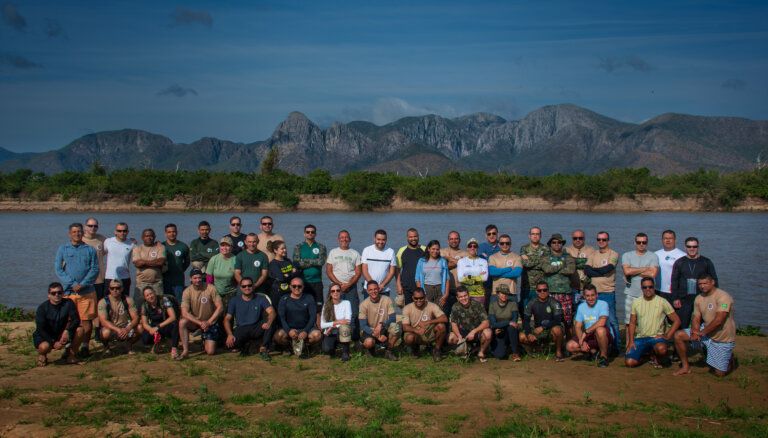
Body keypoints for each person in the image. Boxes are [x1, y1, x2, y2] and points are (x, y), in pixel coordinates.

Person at [673, 274, 736, 377]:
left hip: (722, 337)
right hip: (705, 331)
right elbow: (696, 317)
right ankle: (685, 367)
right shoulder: (699, 298)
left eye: (705, 283)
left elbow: (719, 320)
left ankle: (729, 359)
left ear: (712, 282)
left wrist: (701, 333)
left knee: (719, 374)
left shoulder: (723, 297)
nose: (702, 286)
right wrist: (695, 331)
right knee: (678, 335)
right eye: (700, 284)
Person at [55, 222, 99, 358]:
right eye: (74, 232)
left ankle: (85, 346)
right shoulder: (63, 249)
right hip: (69, 293)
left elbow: (95, 269)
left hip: (87, 292)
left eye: (79, 231)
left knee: (86, 321)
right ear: (69, 234)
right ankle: (68, 347)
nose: (77, 234)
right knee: (69, 322)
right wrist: (73, 283)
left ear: (83, 233)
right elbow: (58, 269)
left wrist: (83, 284)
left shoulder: (90, 250)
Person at [625, 277, 681, 368]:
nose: (648, 289)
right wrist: (631, 341)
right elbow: (632, 323)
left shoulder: (662, 301)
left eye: (650, 287)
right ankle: (646, 357)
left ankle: (658, 356)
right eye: (645, 287)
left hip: (656, 338)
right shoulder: (636, 302)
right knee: (629, 363)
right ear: (641, 288)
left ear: (654, 287)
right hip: (641, 338)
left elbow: (677, 320)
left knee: (661, 349)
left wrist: (667, 335)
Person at [670, 237, 718, 330]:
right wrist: (675, 298)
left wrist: (714, 298)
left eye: (694, 246)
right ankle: (682, 339)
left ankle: (702, 339)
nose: (692, 249)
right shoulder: (679, 262)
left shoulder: (706, 262)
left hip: (702, 298)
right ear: (685, 247)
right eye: (689, 246)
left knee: (704, 324)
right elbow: (674, 281)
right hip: (684, 299)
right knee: (682, 325)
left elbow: (714, 280)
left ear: (698, 247)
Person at [584, 231, 620, 351]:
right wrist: (600, 272)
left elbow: (608, 268)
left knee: (612, 320)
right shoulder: (593, 254)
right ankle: (598, 346)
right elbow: (587, 270)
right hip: (594, 294)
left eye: (604, 240)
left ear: (608, 241)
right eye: (599, 239)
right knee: (594, 320)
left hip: (608, 292)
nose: (601, 242)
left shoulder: (613, 254)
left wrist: (595, 271)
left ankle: (616, 347)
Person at [224, 277, 275, 360]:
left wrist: (268, 323)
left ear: (253, 286)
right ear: (240, 288)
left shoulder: (261, 298)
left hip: (256, 327)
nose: (247, 288)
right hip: (241, 328)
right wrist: (229, 334)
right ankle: (251, 344)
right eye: (244, 286)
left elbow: (272, 312)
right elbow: (227, 319)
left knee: (271, 321)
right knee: (232, 345)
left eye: (249, 285)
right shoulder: (234, 300)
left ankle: (264, 347)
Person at [326, 230, 362, 341]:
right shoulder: (333, 252)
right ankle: (334, 337)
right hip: (335, 288)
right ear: (338, 239)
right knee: (333, 311)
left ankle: (353, 339)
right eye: (342, 237)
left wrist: (348, 284)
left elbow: (358, 272)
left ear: (350, 239)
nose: (344, 239)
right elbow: (329, 271)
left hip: (351, 288)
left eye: (346, 237)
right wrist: (338, 285)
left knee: (353, 313)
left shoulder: (355, 253)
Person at [33, 282, 81, 366]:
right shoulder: (42, 308)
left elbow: (76, 320)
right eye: (53, 293)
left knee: (80, 330)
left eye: (59, 292)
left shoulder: (69, 303)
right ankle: (42, 355)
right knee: (44, 347)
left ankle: (71, 355)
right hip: (46, 335)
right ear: (49, 295)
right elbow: (40, 329)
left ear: (63, 293)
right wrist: (53, 342)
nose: (57, 295)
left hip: (62, 333)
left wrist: (67, 330)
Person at [179, 269, 224, 358]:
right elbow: (184, 313)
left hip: (210, 321)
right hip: (195, 321)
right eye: (195, 278)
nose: (198, 280)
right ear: (190, 279)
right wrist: (200, 323)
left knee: (210, 351)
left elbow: (220, 307)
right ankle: (185, 350)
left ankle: (204, 340)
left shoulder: (211, 288)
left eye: (199, 277)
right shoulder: (187, 291)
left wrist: (208, 322)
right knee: (182, 322)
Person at [621, 233, 659, 333]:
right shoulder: (627, 255)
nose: (641, 244)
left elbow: (653, 274)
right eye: (639, 242)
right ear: (635, 243)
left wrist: (633, 270)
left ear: (647, 243)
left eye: (644, 242)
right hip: (631, 294)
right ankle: (629, 342)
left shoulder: (653, 256)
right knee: (629, 323)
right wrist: (645, 268)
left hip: (648, 295)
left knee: (648, 322)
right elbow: (627, 271)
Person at [567, 285, 612, 368]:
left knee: (600, 330)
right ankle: (593, 352)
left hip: (603, 335)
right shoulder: (581, 307)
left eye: (592, 295)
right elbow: (577, 326)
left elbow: (602, 322)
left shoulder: (603, 304)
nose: (590, 298)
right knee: (570, 346)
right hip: (589, 336)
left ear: (597, 295)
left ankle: (603, 357)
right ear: (584, 296)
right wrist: (582, 341)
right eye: (587, 296)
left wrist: (586, 331)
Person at [275, 278, 322, 357]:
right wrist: (289, 330)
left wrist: (305, 331)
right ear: (290, 287)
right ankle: (288, 347)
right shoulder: (284, 299)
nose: (297, 288)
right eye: (294, 286)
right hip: (289, 328)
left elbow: (313, 317)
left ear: (303, 287)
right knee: (278, 336)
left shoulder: (309, 298)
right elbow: (281, 318)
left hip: (305, 328)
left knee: (317, 335)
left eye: (299, 286)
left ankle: (305, 346)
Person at [540, 233, 576, 338]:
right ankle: (552, 343)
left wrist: (554, 268)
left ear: (562, 244)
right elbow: (547, 269)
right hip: (550, 293)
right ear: (550, 244)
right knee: (550, 319)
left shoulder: (568, 257)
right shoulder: (545, 257)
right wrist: (562, 265)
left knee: (568, 321)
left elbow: (571, 270)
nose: (556, 244)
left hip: (565, 293)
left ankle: (569, 343)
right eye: (554, 242)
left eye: (559, 242)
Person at [520, 281, 565, 361]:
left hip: (550, 329)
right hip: (537, 330)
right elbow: (526, 320)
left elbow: (558, 320)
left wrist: (543, 327)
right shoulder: (532, 303)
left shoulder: (555, 302)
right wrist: (529, 333)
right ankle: (536, 350)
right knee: (521, 336)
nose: (542, 292)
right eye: (539, 290)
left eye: (545, 290)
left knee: (557, 330)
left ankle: (558, 352)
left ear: (548, 291)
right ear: (536, 292)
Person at [402, 287, 448, 362]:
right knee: (409, 338)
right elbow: (405, 327)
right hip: (416, 334)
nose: (419, 300)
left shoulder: (432, 305)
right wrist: (416, 330)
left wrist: (428, 322)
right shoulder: (407, 308)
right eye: (416, 298)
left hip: (428, 332)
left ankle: (437, 350)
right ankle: (415, 348)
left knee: (441, 326)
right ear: (412, 298)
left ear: (425, 297)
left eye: (421, 298)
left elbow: (444, 318)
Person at [97, 279, 141, 354]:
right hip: (112, 328)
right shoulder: (103, 302)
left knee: (140, 327)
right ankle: (106, 347)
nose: (115, 290)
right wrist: (117, 329)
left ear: (122, 289)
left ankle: (128, 345)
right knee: (105, 332)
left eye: (118, 288)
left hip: (125, 327)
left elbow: (136, 317)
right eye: (112, 288)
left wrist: (127, 329)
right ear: (109, 289)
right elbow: (103, 321)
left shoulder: (128, 300)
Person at [448, 286, 491, 363]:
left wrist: (474, 331)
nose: (463, 298)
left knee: (488, 333)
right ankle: (466, 349)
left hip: (477, 332)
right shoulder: (455, 306)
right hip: (463, 332)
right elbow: (453, 324)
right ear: (457, 298)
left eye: (465, 296)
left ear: (469, 295)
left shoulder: (478, 305)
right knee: (450, 338)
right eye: (460, 297)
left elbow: (486, 323)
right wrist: (459, 336)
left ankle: (481, 352)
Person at [359, 280, 399, 361]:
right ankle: (369, 348)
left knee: (396, 328)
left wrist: (382, 324)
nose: (373, 291)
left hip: (383, 328)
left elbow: (393, 318)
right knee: (369, 342)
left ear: (378, 289)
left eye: (375, 289)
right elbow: (363, 325)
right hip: (370, 330)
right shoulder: (363, 304)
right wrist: (376, 335)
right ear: (367, 291)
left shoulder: (387, 300)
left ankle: (388, 351)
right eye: (370, 290)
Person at [293, 224, 328, 316]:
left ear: (315, 234)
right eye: (308, 232)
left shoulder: (321, 246)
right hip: (303, 282)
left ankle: (318, 325)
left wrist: (304, 261)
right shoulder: (298, 247)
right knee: (302, 308)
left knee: (318, 309)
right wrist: (314, 261)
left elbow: (321, 262)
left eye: (312, 232)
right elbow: (297, 263)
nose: (310, 233)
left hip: (317, 282)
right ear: (304, 234)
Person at [140, 286, 180, 359]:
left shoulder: (164, 300)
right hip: (154, 326)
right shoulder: (144, 305)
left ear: (155, 293)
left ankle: (174, 348)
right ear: (145, 298)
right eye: (147, 295)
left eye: (151, 293)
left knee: (175, 324)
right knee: (145, 338)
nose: (150, 296)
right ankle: (158, 342)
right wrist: (151, 330)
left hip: (166, 324)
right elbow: (144, 323)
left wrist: (158, 327)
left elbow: (173, 317)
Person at [131, 228, 166, 309]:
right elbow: (138, 264)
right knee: (138, 306)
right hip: (141, 283)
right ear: (142, 237)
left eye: (151, 236)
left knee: (159, 306)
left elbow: (161, 262)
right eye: (146, 236)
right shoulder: (137, 249)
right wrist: (154, 262)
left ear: (154, 237)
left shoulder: (160, 247)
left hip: (157, 283)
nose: (149, 238)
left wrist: (144, 262)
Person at [520, 227, 550, 315]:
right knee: (525, 311)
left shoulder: (546, 249)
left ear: (540, 236)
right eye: (533, 234)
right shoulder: (524, 248)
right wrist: (540, 260)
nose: (535, 236)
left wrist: (530, 260)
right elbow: (526, 264)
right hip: (527, 285)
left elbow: (545, 265)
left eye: (537, 234)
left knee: (541, 312)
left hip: (541, 287)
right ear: (529, 236)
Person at [320, 283, 353, 361]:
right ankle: (334, 346)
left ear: (341, 292)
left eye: (338, 290)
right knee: (327, 349)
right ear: (330, 293)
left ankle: (345, 352)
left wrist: (331, 327)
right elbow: (322, 325)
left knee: (344, 328)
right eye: (333, 291)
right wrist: (337, 322)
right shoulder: (326, 305)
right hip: (330, 333)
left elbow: (348, 321)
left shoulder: (346, 303)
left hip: (340, 331)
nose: (335, 292)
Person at [488, 284, 521, 361]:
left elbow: (514, 321)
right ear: (498, 294)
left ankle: (515, 353)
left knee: (512, 328)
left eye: (506, 293)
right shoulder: (492, 305)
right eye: (502, 293)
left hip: (510, 331)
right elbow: (493, 324)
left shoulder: (513, 304)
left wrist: (507, 324)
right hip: (498, 331)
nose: (504, 295)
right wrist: (508, 322)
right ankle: (506, 348)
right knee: (500, 355)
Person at [361, 229, 397, 298]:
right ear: (374, 239)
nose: (380, 242)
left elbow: (391, 272)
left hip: (384, 290)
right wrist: (373, 287)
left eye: (383, 240)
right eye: (378, 239)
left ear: (386, 240)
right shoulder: (367, 250)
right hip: (369, 290)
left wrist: (382, 285)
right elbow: (364, 270)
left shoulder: (391, 252)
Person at [488, 234, 523, 304]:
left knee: (513, 311)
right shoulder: (492, 257)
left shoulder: (517, 257)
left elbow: (517, 273)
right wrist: (508, 269)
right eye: (502, 243)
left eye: (507, 243)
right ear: (498, 244)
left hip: (511, 293)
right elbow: (492, 272)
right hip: (496, 293)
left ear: (510, 244)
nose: (505, 245)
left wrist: (498, 274)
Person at [654, 230, 686, 305]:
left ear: (675, 240)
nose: (668, 240)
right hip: (658, 291)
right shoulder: (655, 254)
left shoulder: (682, 255)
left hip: (674, 292)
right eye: (665, 238)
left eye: (670, 238)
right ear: (662, 240)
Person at [234, 233, 270, 299]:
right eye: (249, 242)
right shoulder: (240, 255)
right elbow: (237, 273)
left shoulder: (263, 256)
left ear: (258, 241)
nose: (252, 244)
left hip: (259, 287)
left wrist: (255, 286)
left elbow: (264, 274)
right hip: (243, 287)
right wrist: (245, 285)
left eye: (254, 242)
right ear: (245, 242)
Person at [206, 236, 238, 310]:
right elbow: (209, 278)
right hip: (216, 292)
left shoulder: (236, 259)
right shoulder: (214, 259)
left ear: (231, 247)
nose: (225, 248)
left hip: (231, 292)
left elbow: (238, 278)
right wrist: (210, 292)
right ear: (219, 247)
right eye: (222, 245)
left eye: (227, 245)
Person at [396, 228, 426, 306]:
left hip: (422, 287)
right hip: (406, 287)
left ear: (418, 236)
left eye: (415, 236)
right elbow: (397, 270)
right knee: (408, 310)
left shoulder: (425, 249)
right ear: (407, 238)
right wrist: (398, 285)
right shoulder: (401, 250)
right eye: (411, 237)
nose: (413, 239)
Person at [440, 231, 467, 316]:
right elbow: (440, 267)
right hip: (445, 290)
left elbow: (465, 266)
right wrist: (458, 262)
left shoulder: (465, 254)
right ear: (448, 241)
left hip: (460, 289)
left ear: (460, 240)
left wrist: (448, 258)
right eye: (451, 239)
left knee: (460, 314)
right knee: (445, 314)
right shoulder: (442, 252)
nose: (454, 241)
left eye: (456, 239)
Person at [104, 222, 134, 295]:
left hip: (125, 277)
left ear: (127, 232)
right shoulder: (108, 241)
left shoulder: (132, 244)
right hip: (110, 277)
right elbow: (100, 254)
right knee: (108, 300)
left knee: (125, 300)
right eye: (119, 231)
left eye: (124, 231)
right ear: (115, 232)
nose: (122, 233)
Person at [566, 229, 595, 304]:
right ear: (572, 239)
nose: (578, 240)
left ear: (584, 239)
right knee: (573, 308)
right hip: (572, 287)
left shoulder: (591, 250)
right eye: (575, 238)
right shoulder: (566, 250)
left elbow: (592, 265)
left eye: (580, 238)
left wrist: (574, 261)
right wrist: (584, 261)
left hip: (587, 288)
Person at [415, 240, 449, 304]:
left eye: (437, 249)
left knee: (439, 309)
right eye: (433, 249)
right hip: (426, 289)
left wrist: (446, 294)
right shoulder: (421, 261)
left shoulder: (443, 261)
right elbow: (417, 279)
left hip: (440, 289)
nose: (435, 251)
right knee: (427, 309)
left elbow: (447, 279)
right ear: (428, 249)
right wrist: (421, 294)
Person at [162, 223, 190, 301]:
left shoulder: (183, 246)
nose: (172, 234)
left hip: (178, 280)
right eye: (169, 232)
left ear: (177, 232)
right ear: (165, 233)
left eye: (173, 231)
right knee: (166, 303)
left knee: (179, 302)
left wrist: (180, 269)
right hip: (165, 280)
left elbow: (187, 261)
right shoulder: (161, 246)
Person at [456, 239, 488, 305]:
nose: (472, 248)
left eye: (475, 246)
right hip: (465, 295)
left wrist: (467, 277)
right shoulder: (461, 261)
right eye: (470, 246)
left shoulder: (483, 261)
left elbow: (485, 278)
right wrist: (478, 277)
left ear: (477, 248)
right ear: (467, 248)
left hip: (479, 294)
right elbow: (460, 279)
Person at [267, 240, 299, 306]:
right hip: (279, 294)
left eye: (285, 248)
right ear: (275, 250)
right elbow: (282, 278)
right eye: (282, 249)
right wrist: (292, 273)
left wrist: (288, 275)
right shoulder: (273, 264)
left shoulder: (288, 260)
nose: (285, 250)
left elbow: (297, 273)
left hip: (290, 292)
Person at [82, 217, 107, 300]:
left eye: (95, 226)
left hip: (99, 280)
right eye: (90, 226)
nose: (93, 228)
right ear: (85, 226)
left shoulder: (102, 239)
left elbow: (116, 243)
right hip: (84, 280)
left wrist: (129, 240)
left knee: (100, 303)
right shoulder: (80, 240)